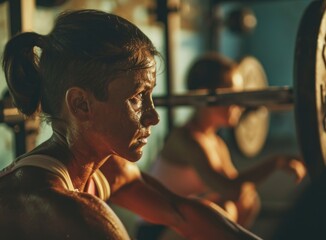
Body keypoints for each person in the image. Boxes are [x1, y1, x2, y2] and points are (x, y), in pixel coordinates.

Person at [0, 9, 261, 240]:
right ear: (81, 105)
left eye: (150, 95)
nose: (153, 117)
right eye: (136, 98)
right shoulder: (59, 206)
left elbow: (182, 212)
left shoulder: (106, 170)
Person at [141, 53, 307, 239]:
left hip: (176, 225)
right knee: (220, 209)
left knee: (247, 200)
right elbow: (229, 188)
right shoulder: (186, 140)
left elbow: (239, 192)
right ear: (206, 95)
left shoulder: (216, 143)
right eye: (232, 94)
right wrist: (276, 162)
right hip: (155, 233)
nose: (239, 103)